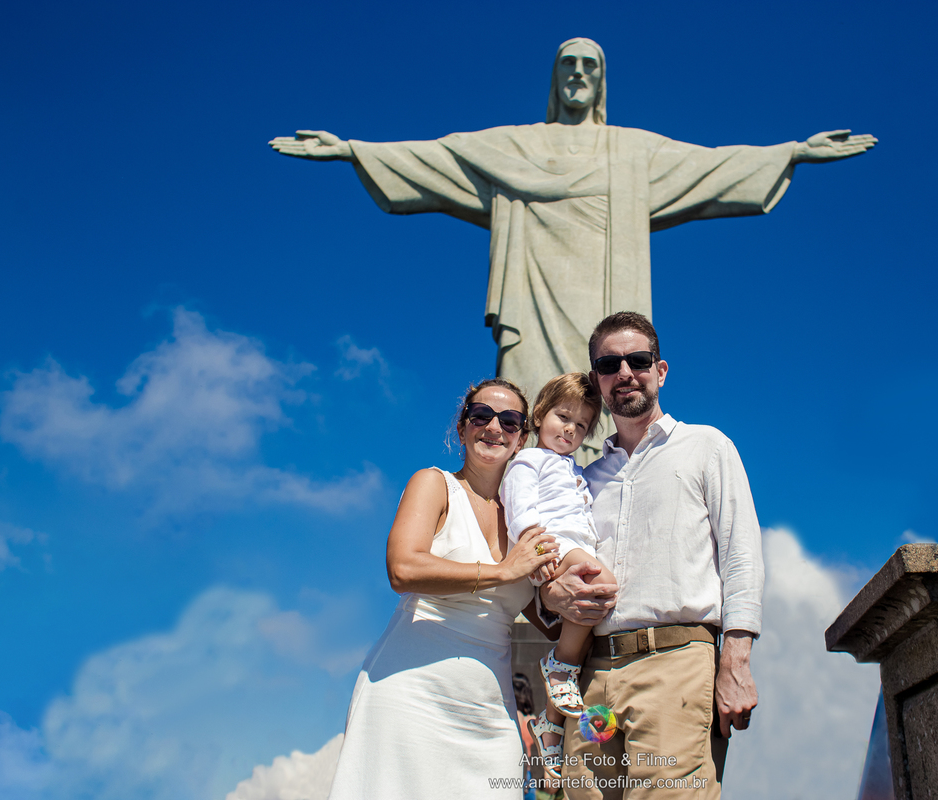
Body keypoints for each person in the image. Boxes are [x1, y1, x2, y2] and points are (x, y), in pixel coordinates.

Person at [268, 37, 876, 463]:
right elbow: (441, 157)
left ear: (601, 81)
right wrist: (353, 150)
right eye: (569, 66)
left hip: (607, 298)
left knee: (612, 389)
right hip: (533, 300)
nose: (579, 74)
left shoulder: (630, 151)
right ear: (557, 82)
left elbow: (710, 167)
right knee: (533, 411)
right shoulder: (516, 147)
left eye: (590, 65)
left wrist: (791, 152)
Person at [540, 312, 764, 799]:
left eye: (637, 360)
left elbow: (741, 557)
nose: (624, 373)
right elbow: (554, 569)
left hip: (677, 665)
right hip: (592, 682)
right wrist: (552, 594)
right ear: (597, 381)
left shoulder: (706, 446)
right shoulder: (582, 480)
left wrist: (736, 661)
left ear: (660, 371)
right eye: (609, 363)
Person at [326, 379, 560, 799]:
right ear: (462, 427)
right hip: (409, 696)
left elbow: (549, 622)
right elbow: (402, 568)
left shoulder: (526, 521)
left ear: (522, 437)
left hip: (490, 714)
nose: (494, 427)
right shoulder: (434, 484)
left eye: (509, 421)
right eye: (481, 415)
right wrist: (503, 572)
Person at [498, 373, 609, 778]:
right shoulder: (528, 460)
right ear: (540, 415)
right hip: (557, 546)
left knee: (586, 620)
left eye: (581, 425)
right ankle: (559, 666)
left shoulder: (572, 468)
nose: (570, 429)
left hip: (577, 545)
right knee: (604, 586)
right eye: (563, 417)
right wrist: (536, 547)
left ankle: (550, 722)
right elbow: (519, 505)